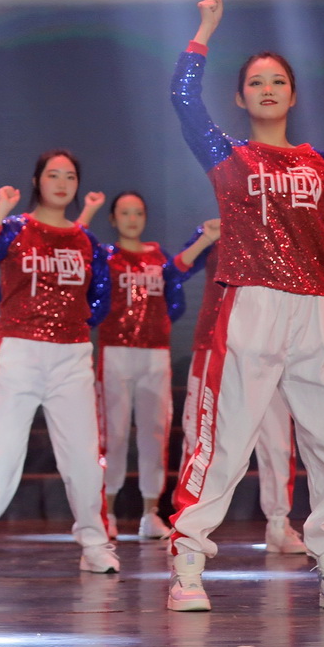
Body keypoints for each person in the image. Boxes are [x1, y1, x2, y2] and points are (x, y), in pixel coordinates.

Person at [166, 0, 324, 613]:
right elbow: (182, 100)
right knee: (226, 440)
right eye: (255, 82)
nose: (267, 89)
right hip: (250, 304)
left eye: (278, 81)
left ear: (293, 95)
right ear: (240, 98)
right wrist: (205, 29)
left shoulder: (319, 163)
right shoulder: (228, 155)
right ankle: (188, 564)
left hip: (316, 309)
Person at [0, 150, 118, 577]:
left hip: (71, 354)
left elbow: (100, 297)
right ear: (38, 180)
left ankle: (95, 544)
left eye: (70, 176)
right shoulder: (14, 229)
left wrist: (73, 324)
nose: (62, 183)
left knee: (83, 458)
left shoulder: (87, 242)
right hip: (20, 351)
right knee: (2, 457)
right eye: (53, 175)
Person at [92, 192, 216, 539]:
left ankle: (150, 514)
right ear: (113, 219)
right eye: (124, 213)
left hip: (155, 353)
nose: (132, 219)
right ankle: (107, 511)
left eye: (138, 213)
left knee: (154, 432)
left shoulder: (158, 257)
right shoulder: (105, 256)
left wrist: (205, 238)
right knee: (114, 434)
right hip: (116, 351)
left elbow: (176, 279)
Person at [178, 238, 308, 555]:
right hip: (214, 343)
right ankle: (186, 524)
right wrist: (205, 237)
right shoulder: (211, 234)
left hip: (267, 346)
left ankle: (278, 523)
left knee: (277, 441)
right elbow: (175, 271)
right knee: (201, 436)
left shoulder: (278, 229)